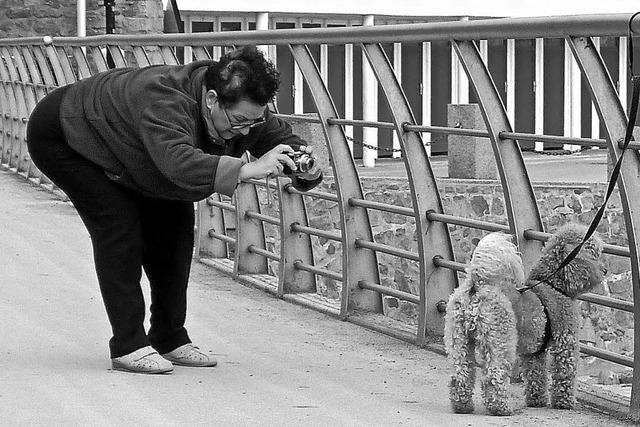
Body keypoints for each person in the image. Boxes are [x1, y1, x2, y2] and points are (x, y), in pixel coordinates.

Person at [26, 45, 322, 374]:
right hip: (66, 136)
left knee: (176, 228)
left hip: (129, 148)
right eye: (238, 122)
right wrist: (245, 169)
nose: (246, 131)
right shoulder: (165, 99)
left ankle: (169, 336)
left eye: (253, 122)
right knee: (118, 225)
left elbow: (278, 138)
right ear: (211, 99)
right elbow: (177, 163)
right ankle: (128, 344)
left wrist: (303, 166)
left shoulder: (244, 108)